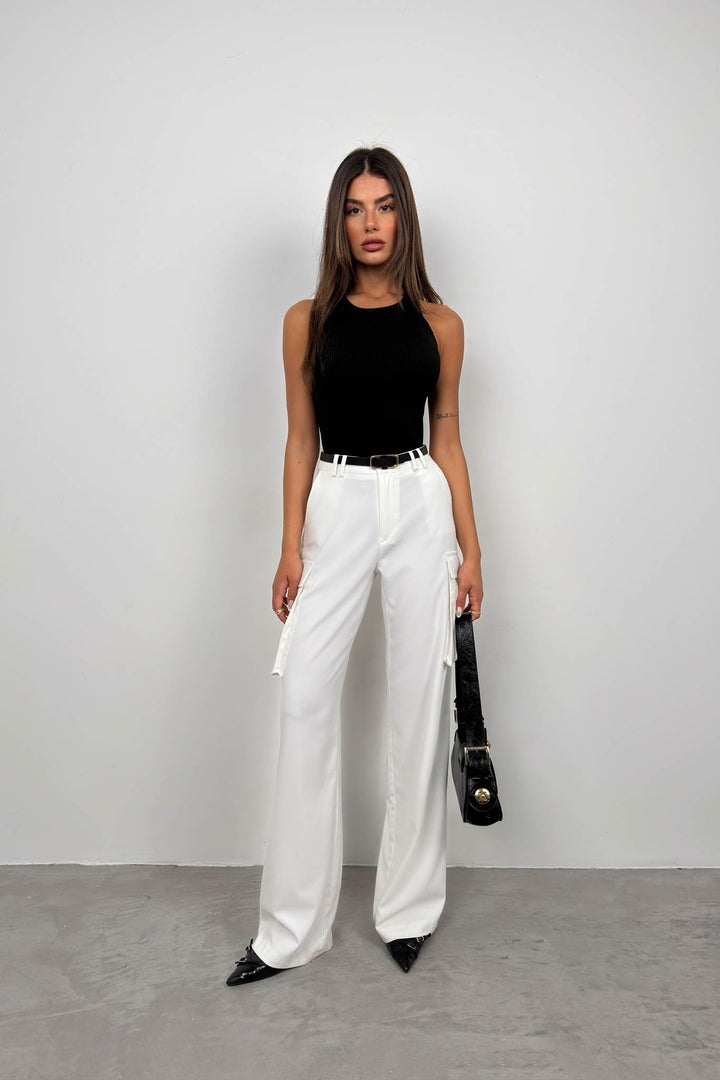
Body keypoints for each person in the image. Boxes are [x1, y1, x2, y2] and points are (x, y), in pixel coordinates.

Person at [226, 146, 483, 986]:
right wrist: (288, 542)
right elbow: (301, 436)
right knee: (304, 695)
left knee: (421, 703)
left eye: (385, 205)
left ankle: (408, 912)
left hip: (417, 499)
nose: (370, 223)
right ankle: (290, 930)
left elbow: (448, 438)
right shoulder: (307, 320)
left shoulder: (442, 325)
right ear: (338, 222)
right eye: (354, 208)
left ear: (404, 217)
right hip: (335, 501)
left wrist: (471, 548)